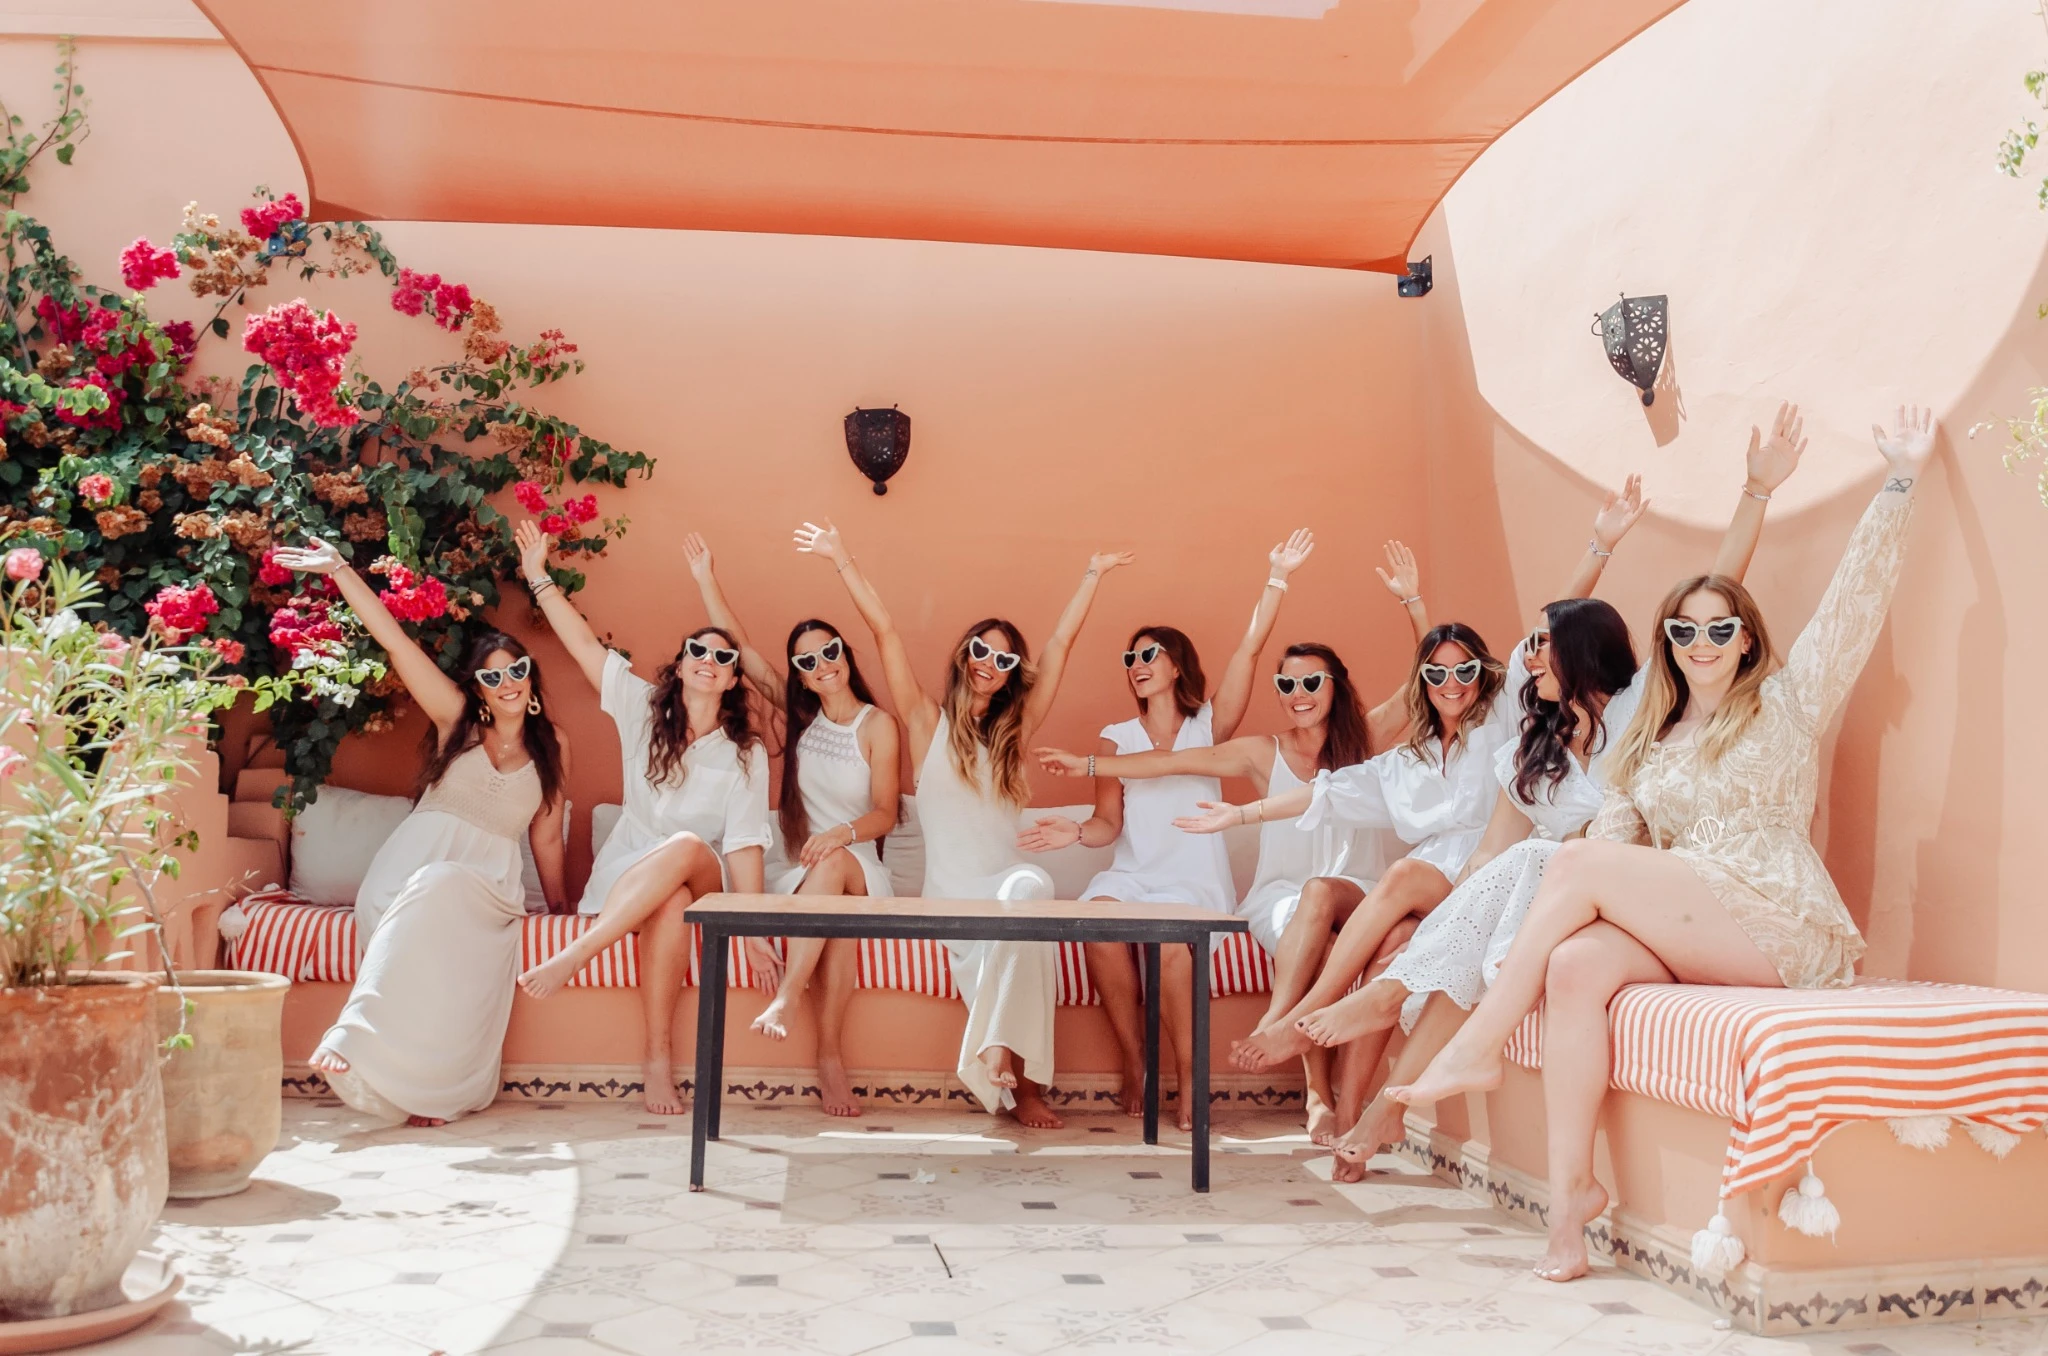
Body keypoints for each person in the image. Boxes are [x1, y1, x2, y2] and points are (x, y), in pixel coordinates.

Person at [1389, 407, 1935, 1283]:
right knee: (1572, 968)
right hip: (1694, 918)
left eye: (1721, 628)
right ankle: (1573, 1201)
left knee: (1576, 864)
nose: (1702, 642)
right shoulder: (1650, 736)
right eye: (1683, 631)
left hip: (1780, 923)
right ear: (1668, 646)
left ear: (1746, 638)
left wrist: (1900, 479)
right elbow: (1612, 840)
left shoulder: (1788, 704)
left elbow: (1854, 603)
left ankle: (1479, 1042)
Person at [1303, 408, 1808, 1174]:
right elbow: (1487, 858)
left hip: (1622, 892)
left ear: (1576, 652)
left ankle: (1384, 1046)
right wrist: (1450, 917)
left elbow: (1714, 594)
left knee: (1537, 870)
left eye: (1541, 642)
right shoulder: (1528, 748)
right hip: (1538, 899)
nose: (1528, 655)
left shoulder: (1641, 709)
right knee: (1475, 931)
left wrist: (1755, 491)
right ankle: (1381, 1112)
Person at [1182, 481, 1653, 1093]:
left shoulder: (1504, 723)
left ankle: (1301, 1024)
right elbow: (1327, 791)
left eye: (1463, 670)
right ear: (1421, 684)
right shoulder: (1403, 760)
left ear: (1481, 675)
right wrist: (1241, 817)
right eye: (1436, 673)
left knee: (1401, 888)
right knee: (1394, 941)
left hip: (1484, 872)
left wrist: (1600, 545)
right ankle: (1354, 1110)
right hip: (1439, 881)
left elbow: (1555, 634)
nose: (1451, 682)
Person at [1034, 540, 1426, 1142]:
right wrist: (1087, 778)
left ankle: (1303, 1084)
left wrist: (1408, 602)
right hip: (1237, 891)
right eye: (1287, 686)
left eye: (1311, 682)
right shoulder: (1241, 749)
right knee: (1107, 922)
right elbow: (1161, 769)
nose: (1297, 695)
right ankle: (1292, 1092)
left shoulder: (1353, 737)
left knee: (1358, 930)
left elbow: (1421, 683)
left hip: (1323, 891)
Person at [798, 517, 1130, 1130]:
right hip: (951, 897)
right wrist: (840, 556)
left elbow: (1058, 648)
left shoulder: (1014, 733)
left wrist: (1092, 575)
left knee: (1032, 890)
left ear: (1010, 672)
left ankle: (1005, 1062)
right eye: (981, 650)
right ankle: (1023, 1087)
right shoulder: (925, 724)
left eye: (1003, 658)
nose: (990, 663)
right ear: (964, 656)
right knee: (1023, 933)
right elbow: (885, 630)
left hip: (1004, 885)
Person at [1017, 531, 1316, 1129]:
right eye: (1130, 659)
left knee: (1176, 956)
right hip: (1135, 875)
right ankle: (1136, 1063)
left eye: (1148, 655)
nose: (1136, 667)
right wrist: (1074, 835)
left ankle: (1187, 1079)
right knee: (1097, 925)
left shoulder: (1210, 724)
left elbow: (1250, 651)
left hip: (1193, 883)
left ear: (1176, 665)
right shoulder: (1114, 738)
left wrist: (1277, 575)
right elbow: (1107, 825)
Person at [283, 538, 570, 1127]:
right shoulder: (456, 721)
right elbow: (395, 641)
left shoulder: (555, 745)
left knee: (446, 903)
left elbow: (546, 837)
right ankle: (383, 1069)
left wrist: (561, 908)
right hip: (407, 867)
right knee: (422, 899)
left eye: (517, 670)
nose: (508, 682)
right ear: (479, 688)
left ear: (531, 678)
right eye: (493, 677)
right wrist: (340, 569)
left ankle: (427, 1083)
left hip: (486, 884)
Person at [511, 521, 775, 1117]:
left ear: (734, 678)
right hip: (632, 876)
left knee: (684, 854)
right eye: (697, 652)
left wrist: (755, 928)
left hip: (706, 873)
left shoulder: (744, 753)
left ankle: (580, 952)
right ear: (680, 667)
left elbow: (743, 843)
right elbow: (582, 644)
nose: (708, 660)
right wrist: (537, 576)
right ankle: (657, 1060)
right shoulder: (638, 709)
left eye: (722, 656)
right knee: (670, 901)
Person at [684, 532, 901, 1118]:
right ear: (799, 676)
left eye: (829, 652)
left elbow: (887, 811)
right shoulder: (800, 719)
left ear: (845, 655)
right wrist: (706, 576)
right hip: (807, 876)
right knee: (832, 908)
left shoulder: (878, 725)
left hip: (859, 865)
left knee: (832, 871)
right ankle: (830, 1057)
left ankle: (784, 999)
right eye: (807, 661)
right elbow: (742, 649)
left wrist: (840, 834)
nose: (821, 665)